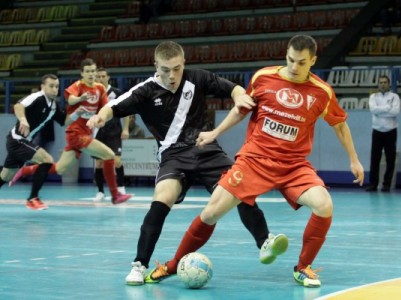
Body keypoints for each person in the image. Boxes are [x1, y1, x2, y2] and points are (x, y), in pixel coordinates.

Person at [144, 35, 365, 288]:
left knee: (324, 205)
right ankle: (172, 266)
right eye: (291, 60)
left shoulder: (322, 92)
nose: (294, 67)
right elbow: (241, 108)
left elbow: (339, 124)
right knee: (211, 212)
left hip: (293, 165)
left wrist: (354, 159)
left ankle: (303, 267)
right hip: (254, 160)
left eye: (302, 62)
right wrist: (216, 133)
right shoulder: (263, 78)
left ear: (313, 61)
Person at [87, 41, 288, 286]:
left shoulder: (197, 78)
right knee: (161, 201)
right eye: (165, 69)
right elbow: (112, 107)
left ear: (184, 64)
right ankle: (139, 265)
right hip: (173, 156)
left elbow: (232, 88)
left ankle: (265, 241)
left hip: (206, 148)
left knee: (239, 190)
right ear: (155, 66)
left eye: (177, 68)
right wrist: (100, 116)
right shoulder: (145, 90)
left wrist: (240, 97)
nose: (172, 76)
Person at [10, 59, 132, 205]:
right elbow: (71, 100)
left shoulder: (100, 89)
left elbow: (104, 109)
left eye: (93, 71)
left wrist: (101, 119)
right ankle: (115, 195)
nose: (91, 74)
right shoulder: (78, 86)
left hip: (86, 133)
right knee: (109, 155)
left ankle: (25, 171)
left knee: (60, 168)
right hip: (76, 133)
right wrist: (81, 98)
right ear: (82, 73)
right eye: (87, 71)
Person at [0, 74, 66, 210]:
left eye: (57, 86)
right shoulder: (37, 97)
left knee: (6, 176)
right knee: (47, 159)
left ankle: (32, 197)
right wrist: (23, 120)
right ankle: (32, 198)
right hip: (17, 140)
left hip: (22, 142)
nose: (55, 89)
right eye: (51, 86)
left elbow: (65, 121)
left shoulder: (53, 106)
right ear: (43, 87)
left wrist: (81, 113)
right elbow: (18, 106)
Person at [93, 67, 130, 202]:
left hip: (114, 131)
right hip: (99, 132)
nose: (100, 78)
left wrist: (125, 129)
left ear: (108, 77)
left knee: (117, 160)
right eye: (98, 76)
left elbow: (125, 111)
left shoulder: (116, 92)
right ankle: (100, 192)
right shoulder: (93, 93)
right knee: (99, 163)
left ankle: (120, 187)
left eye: (103, 76)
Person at [365, 75, 400, 192]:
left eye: (385, 82)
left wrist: (380, 111)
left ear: (389, 84)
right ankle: (373, 184)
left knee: (391, 158)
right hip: (377, 131)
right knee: (375, 158)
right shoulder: (373, 97)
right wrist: (387, 108)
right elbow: (373, 110)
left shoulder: (395, 97)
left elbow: (395, 112)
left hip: (391, 131)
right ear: (378, 84)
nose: (383, 84)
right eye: (381, 82)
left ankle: (387, 184)